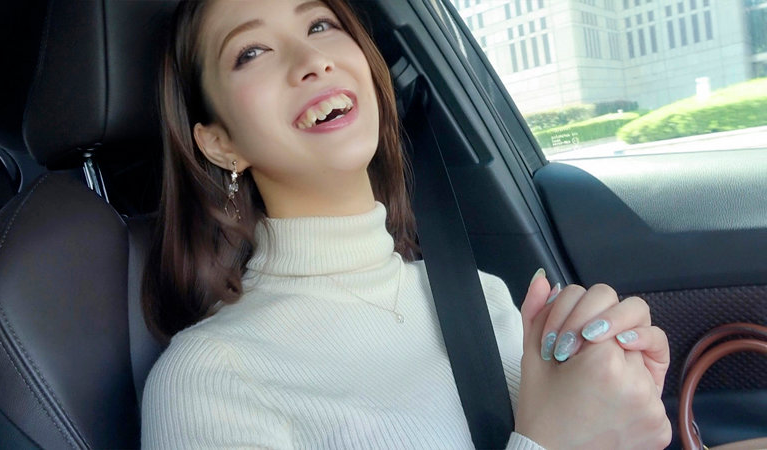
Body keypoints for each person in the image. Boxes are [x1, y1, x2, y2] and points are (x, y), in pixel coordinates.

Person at [141, 0, 672, 448]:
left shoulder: (484, 297)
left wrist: (626, 407)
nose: (313, 60)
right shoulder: (208, 380)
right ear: (219, 143)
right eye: (251, 52)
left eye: (320, 25)